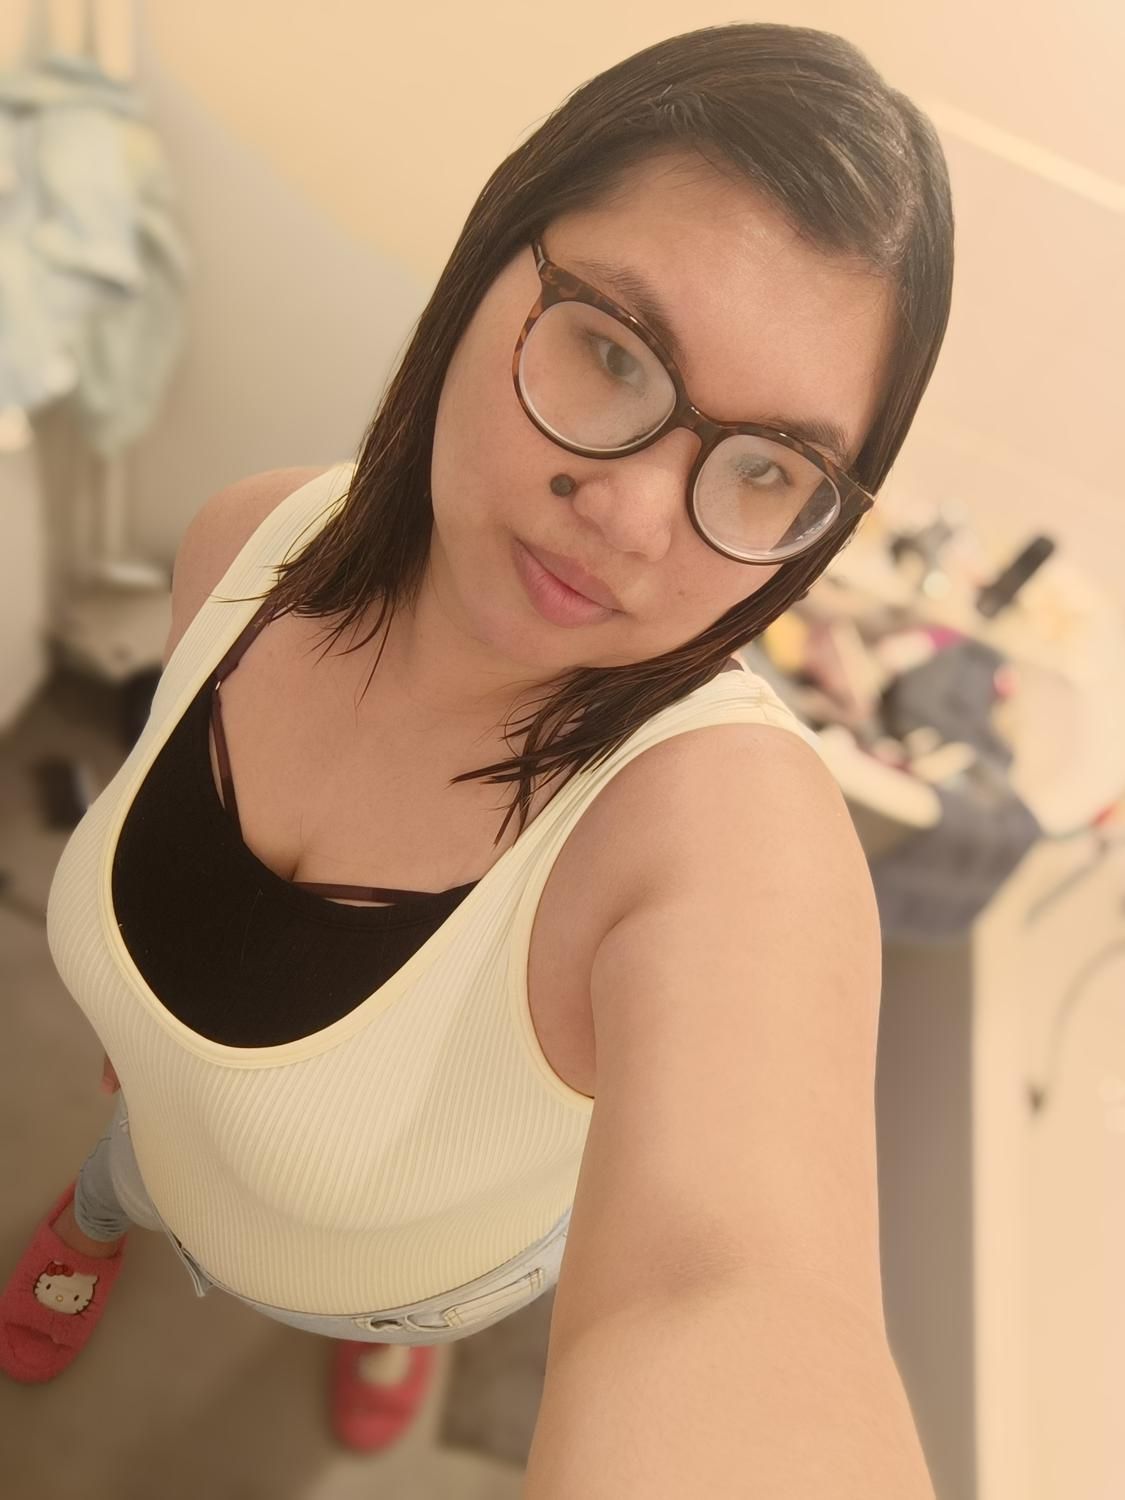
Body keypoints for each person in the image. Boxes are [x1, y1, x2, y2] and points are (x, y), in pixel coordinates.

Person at [1, 19, 953, 1477]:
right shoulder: (244, 545)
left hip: (405, 1266)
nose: (634, 517)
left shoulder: (714, 833)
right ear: (490, 256)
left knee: (375, 1264)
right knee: (143, 1143)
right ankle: (98, 1213)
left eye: (769, 470)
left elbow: (732, 1294)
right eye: (612, 352)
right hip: (166, 1137)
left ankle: (382, 1328)